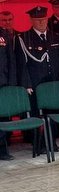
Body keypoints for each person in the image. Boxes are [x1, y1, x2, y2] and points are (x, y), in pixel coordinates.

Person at [17, 5, 59, 152]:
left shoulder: (55, 36)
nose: (41, 22)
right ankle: (38, 143)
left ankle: (52, 142)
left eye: (43, 19)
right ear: (31, 20)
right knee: (36, 114)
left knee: (54, 113)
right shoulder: (24, 38)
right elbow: (22, 64)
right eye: (38, 20)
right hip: (36, 83)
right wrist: (26, 84)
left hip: (53, 82)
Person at [0, 13, 17, 160]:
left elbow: (11, 60)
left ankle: (3, 151)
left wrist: (12, 83)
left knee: (4, 118)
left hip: (3, 82)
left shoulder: (3, 34)